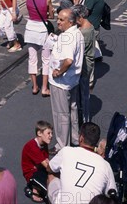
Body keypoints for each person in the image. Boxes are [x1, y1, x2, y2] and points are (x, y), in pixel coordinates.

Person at [47, 122, 116, 204]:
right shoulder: (106, 165)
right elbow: (112, 193)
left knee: (51, 175)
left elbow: (49, 168)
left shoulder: (66, 151)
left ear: (81, 138)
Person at [49, 8, 84, 151]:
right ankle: (75, 139)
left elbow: (68, 60)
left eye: (61, 20)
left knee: (61, 114)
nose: (58, 22)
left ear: (70, 22)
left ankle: (62, 145)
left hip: (61, 83)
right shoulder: (77, 33)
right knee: (73, 110)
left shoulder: (66, 38)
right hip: (73, 80)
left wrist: (59, 72)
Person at [24, 0, 55, 97]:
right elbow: (51, 16)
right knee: (46, 60)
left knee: (32, 59)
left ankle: (35, 87)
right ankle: (44, 88)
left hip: (30, 29)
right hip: (42, 31)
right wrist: (47, 12)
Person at [72, 4, 95, 123]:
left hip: (84, 66)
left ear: (80, 17)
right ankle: (84, 117)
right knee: (84, 93)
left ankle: (84, 120)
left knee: (82, 94)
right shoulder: (88, 26)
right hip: (87, 64)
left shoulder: (84, 32)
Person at [21, 121, 54, 186]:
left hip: (40, 169)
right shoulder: (32, 146)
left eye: (52, 133)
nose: (51, 136)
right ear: (39, 133)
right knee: (48, 187)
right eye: (48, 133)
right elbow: (47, 166)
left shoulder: (44, 144)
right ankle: (34, 191)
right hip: (32, 173)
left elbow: (46, 161)